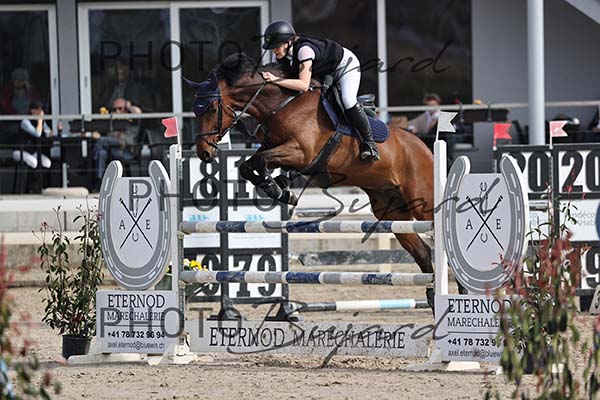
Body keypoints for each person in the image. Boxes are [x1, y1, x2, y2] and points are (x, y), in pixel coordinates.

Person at [260, 20, 379, 162]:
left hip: (345, 66)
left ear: (289, 42)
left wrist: (275, 80)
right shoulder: (279, 57)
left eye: (277, 46)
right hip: (324, 71)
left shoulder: (304, 51)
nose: (274, 50)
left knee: (347, 100)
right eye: (272, 47)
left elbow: (303, 85)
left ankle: (370, 144)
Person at [92, 97, 142, 191]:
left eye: (119, 108)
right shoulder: (113, 120)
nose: (117, 111)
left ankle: (90, 158)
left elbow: (138, 112)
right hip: (112, 149)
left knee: (102, 141)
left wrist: (128, 105)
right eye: (114, 109)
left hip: (126, 149)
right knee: (101, 153)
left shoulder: (132, 118)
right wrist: (96, 133)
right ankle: (99, 181)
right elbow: (102, 131)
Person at [13, 100, 52, 170]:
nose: (40, 113)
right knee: (34, 162)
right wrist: (40, 120)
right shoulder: (25, 121)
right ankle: (31, 177)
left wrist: (49, 132)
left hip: (32, 151)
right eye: (38, 110)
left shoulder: (40, 122)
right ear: (32, 111)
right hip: (19, 150)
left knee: (47, 163)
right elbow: (37, 134)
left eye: (41, 110)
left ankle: (39, 177)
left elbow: (48, 132)